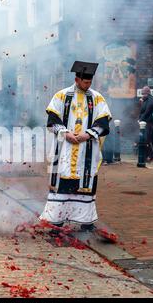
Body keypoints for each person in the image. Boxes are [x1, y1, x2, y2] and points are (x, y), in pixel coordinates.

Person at [40, 61, 112, 236]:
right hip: (65, 147)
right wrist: (65, 133)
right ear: (77, 79)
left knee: (85, 184)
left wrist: (88, 134)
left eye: (90, 82)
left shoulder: (97, 98)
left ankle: (86, 221)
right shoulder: (62, 96)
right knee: (63, 182)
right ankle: (56, 221)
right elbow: (52, 119)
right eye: (85, 82)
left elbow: (103, 121)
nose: (88, 85)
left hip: (87, 149)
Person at [138, 86, 153, 163]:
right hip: (146, 123)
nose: (142, 95)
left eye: (144, 93)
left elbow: (147, 111)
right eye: (142, 93)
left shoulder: (151, 100)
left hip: (150, 123)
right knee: (146, 140)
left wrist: (141, 119)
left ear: (148, 93)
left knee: (149, 140)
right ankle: (149, 157)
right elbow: (143, 110)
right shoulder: (146, 100)